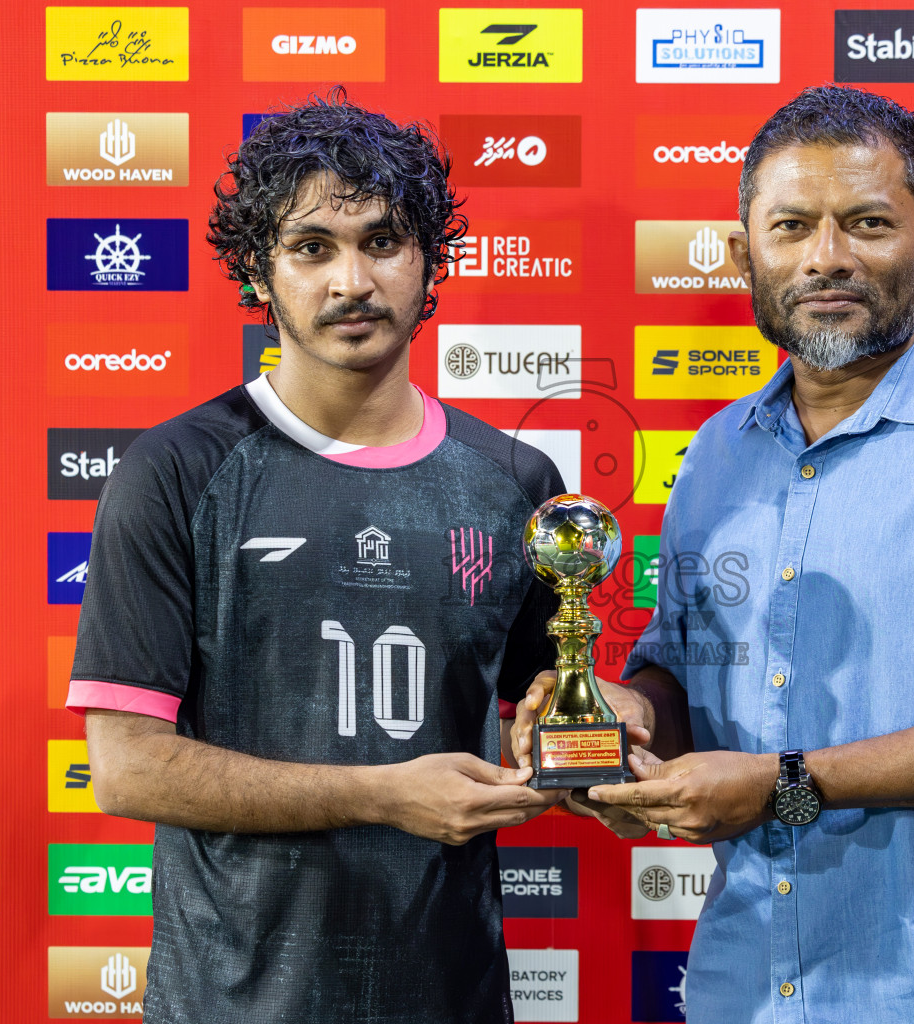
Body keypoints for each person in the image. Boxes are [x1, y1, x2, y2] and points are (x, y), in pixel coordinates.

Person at [514, 85, 914, 1022]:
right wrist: (619, 721)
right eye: (792, 226)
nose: (827, 257)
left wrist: (785, 786)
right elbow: (686, 679)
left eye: (868, 223)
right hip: (749, 987)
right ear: (744, 255)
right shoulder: (717, 454)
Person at [69, 90, 568, 1024]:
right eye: (311, 248)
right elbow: (128, 768)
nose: (353, 280)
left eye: (382, 241)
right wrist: (380, 795)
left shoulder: (518, 481)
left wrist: (584, 733)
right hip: (232, 1002)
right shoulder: (178, 470)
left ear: (429, 261)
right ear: (259, 274)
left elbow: (545, 721)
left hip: (450, 997)